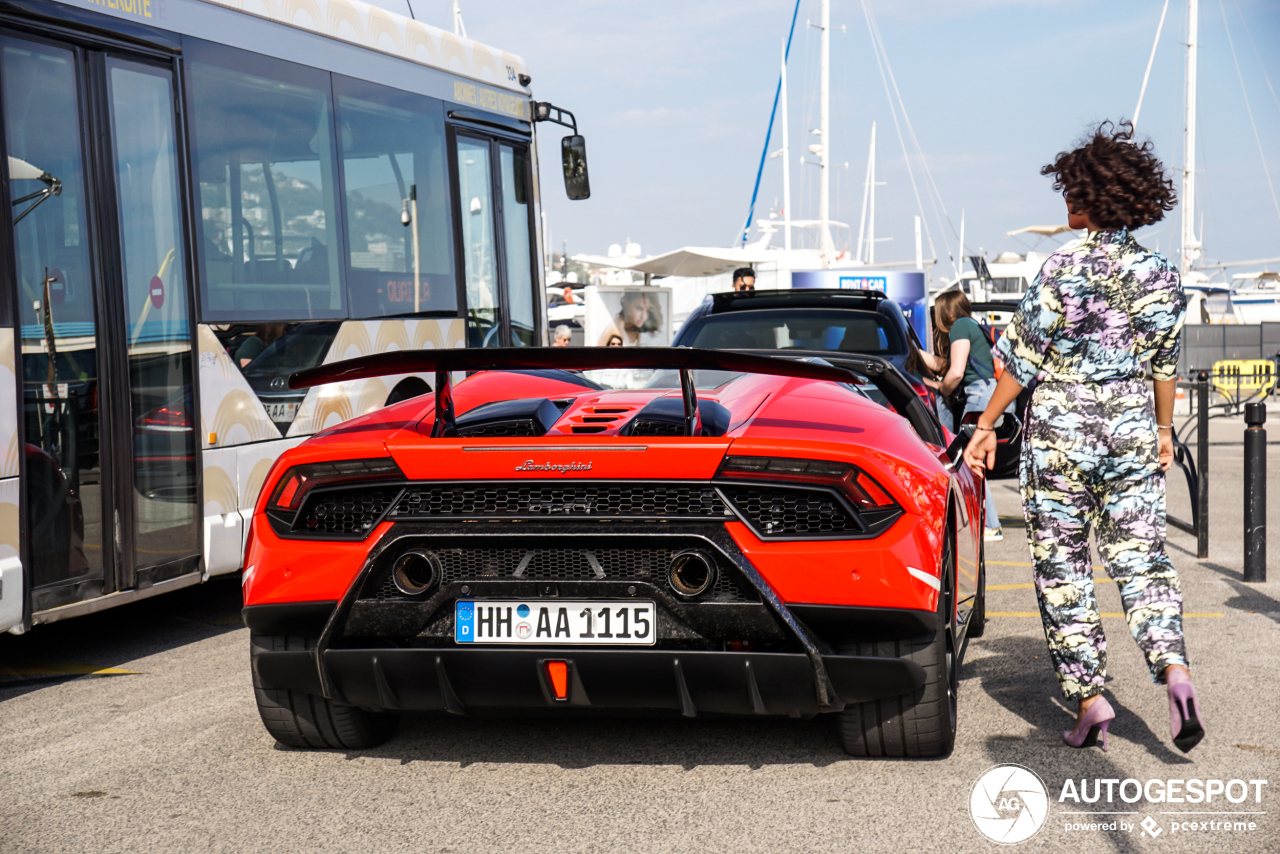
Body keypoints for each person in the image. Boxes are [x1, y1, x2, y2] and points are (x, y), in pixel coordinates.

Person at [964, 120, 1202, 754]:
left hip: (1062, 440)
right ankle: (1174, 670)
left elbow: (1022, 363)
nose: (1065, 202)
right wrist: (1159, 432)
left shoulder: (1060, 268)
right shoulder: (1161, 274)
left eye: (1072, 191)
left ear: (1095, 197)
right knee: (1142, 561)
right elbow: (1163, 365)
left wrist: (984, 427)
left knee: (1063, 570)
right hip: (1129, 435)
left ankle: (1091, 700)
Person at [917, 289, 1004, 541]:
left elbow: (954, 374)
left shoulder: (960, 326)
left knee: (970, 459)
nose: (936, 319)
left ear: (949, 312)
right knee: (971, 458)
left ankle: (991, 525)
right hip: (987, 393)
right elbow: (948, 366)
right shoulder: (972, 326)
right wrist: (915, 354)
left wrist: (940, 388)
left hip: (979, 395)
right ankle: (989, 523)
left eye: (938, 312)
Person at [597, 290, 663, 346]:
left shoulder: (635, 329)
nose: (643, 316)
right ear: (627, 304)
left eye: (647, 311)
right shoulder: (617, 329)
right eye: (639, 308)